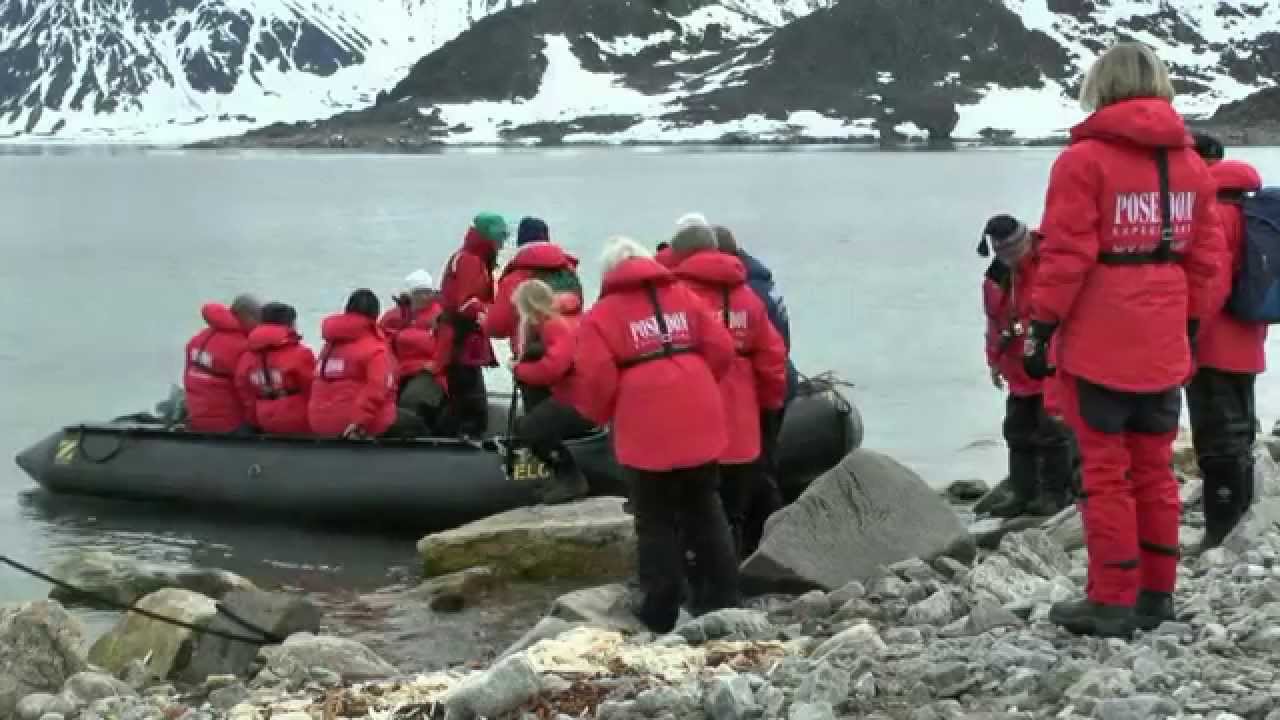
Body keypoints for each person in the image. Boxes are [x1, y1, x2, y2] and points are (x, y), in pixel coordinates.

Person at [1024, 43, 1226, 637]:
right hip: (1165, 337)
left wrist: (1040, 328)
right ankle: (1157, 595)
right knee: (1156, 471)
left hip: (1100, 341)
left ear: (1100, 87)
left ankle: (1111, 598)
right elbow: (1208, 258)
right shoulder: (1190, 164)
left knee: (1105, 475)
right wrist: (1187, 325)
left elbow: (1067, 256)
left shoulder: (1082, 161)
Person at [572, 236, 739, 633]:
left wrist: (605, 413)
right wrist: (699, 382)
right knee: (705, 504)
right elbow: (722, 347)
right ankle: (724, 596)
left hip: (645, 418)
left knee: (654, 516)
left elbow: (595, 378)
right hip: (698, 405)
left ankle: (661, 606)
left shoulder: (602, 314)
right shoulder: (684, 295)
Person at [671, 218, 788, 557]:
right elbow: (772, 358)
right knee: (733, 513)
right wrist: (767, 408)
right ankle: (731, 583)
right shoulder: (749, 298)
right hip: (742, 421)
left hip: (693, 424)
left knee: (693, 513)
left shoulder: (677, 297)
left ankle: (698, 588)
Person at [1188, 159, 1266, 549]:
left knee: (1216, 440)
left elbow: (1211, 284)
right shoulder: (1255, 216)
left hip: (1212, 344)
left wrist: (1188, 334)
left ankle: (1220, 529)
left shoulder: (1214, 217)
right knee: (1241, 433)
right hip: (1249, 340)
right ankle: (1244, 518)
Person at [978, 215, 1076, 517]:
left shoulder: (1052, 262)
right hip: (1017, 366)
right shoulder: (996, 278)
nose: (1008, 255)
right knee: (1017, 430)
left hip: (1051, 362)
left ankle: (1055, 494)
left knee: (1053, 430)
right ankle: (1022, 492)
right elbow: (994, 323)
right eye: (1001, 251)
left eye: (1012, 247)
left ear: (1025, 238)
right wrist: (994, 361)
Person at [713, 224, 798, 553]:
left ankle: (765, 546)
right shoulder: (760, 283)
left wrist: (768, 398)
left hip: (762, 387)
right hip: (775, 379)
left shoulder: (745, 291)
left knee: (757, 472)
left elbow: (766, 350)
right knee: (761, 469)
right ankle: (766, 542)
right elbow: (780, 344)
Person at [509, 279, 594, 501]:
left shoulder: (554, 325)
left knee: (529, 429)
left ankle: (571, 478)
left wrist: (520, 370)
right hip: (583, 395)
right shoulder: (568, 319)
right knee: (537, 422)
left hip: (577, 400)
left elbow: (554, 368)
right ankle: (560, 477)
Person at [309, 289, 416, 439]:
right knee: (415, 423)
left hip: (319, 422)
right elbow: (379, 387)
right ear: (375, 314)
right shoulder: (374, 347)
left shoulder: (329, 346)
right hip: (353, 423)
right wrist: (359, 421)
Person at [485, 216, 584, 371]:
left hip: (533, 359)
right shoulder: (568, 271)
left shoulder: (515, 278)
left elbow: (498, 327)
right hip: (571, 358)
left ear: (521, 243)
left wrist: (484, 319)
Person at [438, 213, 506, 436]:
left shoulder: (472, 258)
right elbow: (466, 304)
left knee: (466, 397)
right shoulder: (470, 261)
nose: (502, 244)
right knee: (470, 402)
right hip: (460, 341)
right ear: (488, 238)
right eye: (500, 238)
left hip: (463, 340)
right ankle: (465, 444)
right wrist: (494, 315)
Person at [234, 302, 315, 435]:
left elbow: (244, 389)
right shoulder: (301, 353)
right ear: (290, 324)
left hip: (263, 415)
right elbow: (311, 388)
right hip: (297, 418)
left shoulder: (247, 356)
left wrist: (254, 417)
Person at [184, 294, 261, 432]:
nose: (260, 325)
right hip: (229, 423)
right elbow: (249, 390)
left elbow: (187, 376)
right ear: (246, 316)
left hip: (197, 416)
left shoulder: (200, 338)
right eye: (258, 319)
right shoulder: (243, 347)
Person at [382, 270, 447, 430]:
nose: (425, 297)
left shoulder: (440, 316)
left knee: (413, 400)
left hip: (429, 371)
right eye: (420, 293)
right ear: (410, 294)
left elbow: (446, 345)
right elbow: (380, 341)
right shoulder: (392, 317)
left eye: (428, 292)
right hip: (397, 369)